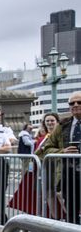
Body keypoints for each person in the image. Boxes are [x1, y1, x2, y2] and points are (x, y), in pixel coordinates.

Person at [39, 91, 81, 224]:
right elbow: (46, 149)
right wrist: (62, 151)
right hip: (69, 172)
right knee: (71, 207)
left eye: (79, 102)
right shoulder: (62, 125)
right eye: (71, 103)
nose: (75, 105)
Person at [9, 113, 57, 216]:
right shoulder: (41, 137)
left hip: (54, 168)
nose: (49, 123)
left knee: (57, 194)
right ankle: (47, 217)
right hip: (40, 168)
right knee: (43, 194)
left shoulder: (58, 136)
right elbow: (35, 151)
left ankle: (61, 219)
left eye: (52, 120)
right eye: (47, 121)